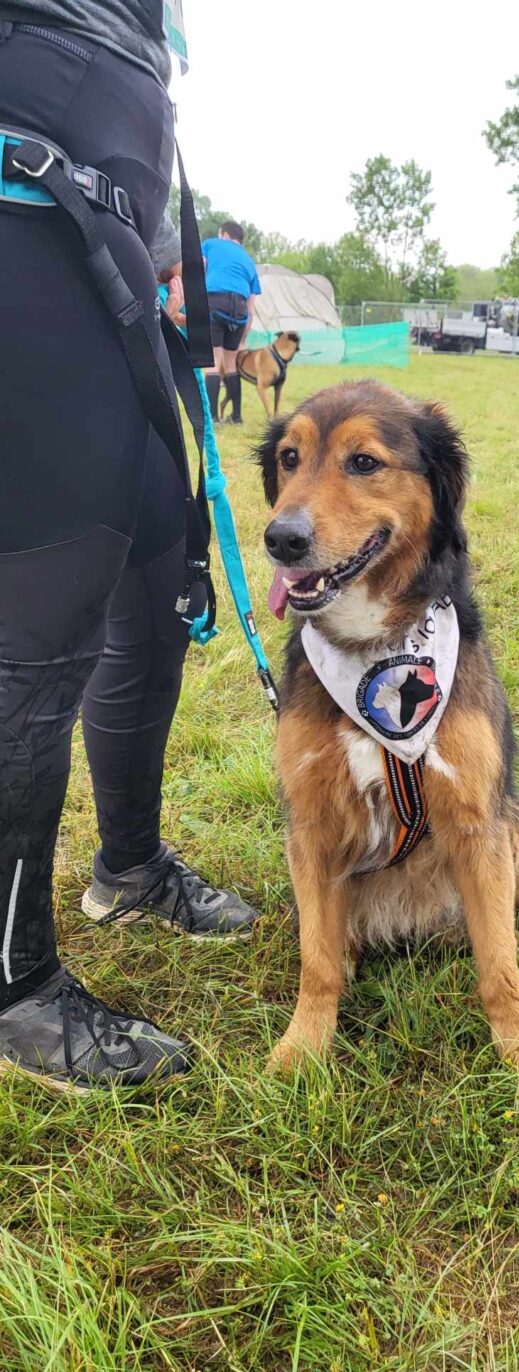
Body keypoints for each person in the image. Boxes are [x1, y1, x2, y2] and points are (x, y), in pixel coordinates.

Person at [0, 7, 258, 1091]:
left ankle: (130, 866)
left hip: (107, 250)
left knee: (157, 580)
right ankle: (13, 988)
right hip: (25, 225)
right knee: (33, 643)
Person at [202, 221, 261, 425]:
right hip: (240, 310)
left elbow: (198, 269)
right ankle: (236, 417)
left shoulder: (211, 244)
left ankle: (212, 417)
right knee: (230, 363)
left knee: (213, 362)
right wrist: (243, 340)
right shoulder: (249, 261)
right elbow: (251, 309)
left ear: (224, 234)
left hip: (215, 302)